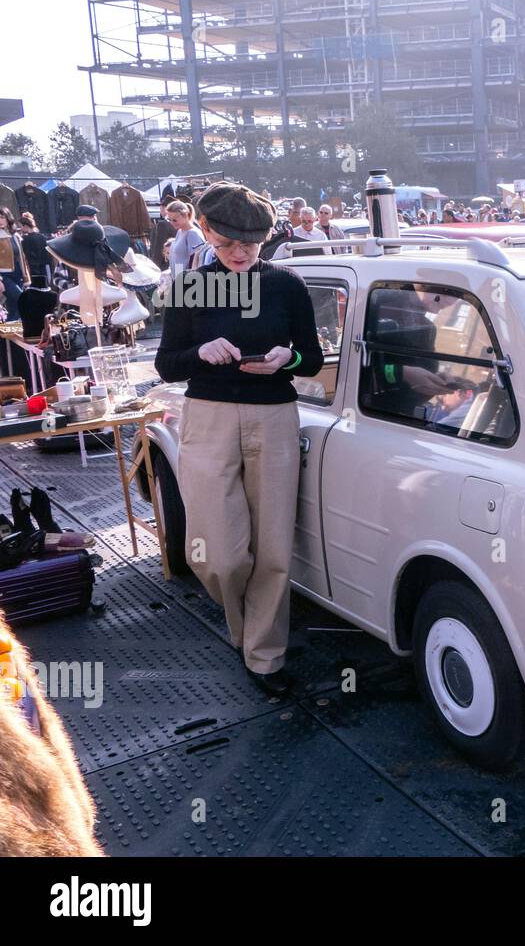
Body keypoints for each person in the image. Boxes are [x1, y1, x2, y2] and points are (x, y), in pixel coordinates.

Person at [154, 182, 324, 696]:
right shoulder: (189, 286)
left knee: (273, 546)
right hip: (207, 415)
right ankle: (244, 628)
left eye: (251, 244)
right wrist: (201, 352)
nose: (241, 253)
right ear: (204, 231)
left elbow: (311, 358)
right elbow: (166, 363)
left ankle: (263, 655)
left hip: (273, 414)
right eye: (228, 244)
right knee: (218, 555)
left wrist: (285, 359)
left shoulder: (286, 284)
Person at [0, 208, 29, 314]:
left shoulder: (15, 235)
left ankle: (14, 328)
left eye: (2, 217)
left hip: (18, 274)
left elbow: (22, 258)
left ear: (8, 218)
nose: (0, 220)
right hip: (4, 275)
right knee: (21, 299)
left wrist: (26, 278)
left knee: (14, 307)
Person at [164, 200, 206, 275]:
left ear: (186, 215)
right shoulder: (180, 231)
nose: (171, 223)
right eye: (169, 219)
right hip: (180, 280)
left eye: (175, 220)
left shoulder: (192, 234)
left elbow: (198, 262)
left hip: (187, 281)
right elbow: (179, 260)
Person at [16, 213, 50, 288]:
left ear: (25, 226)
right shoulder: (42, 237)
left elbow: (27, 256)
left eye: (20, 226)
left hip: (34, 268)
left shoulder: (25, 240)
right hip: (44, 267)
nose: (20, 229)